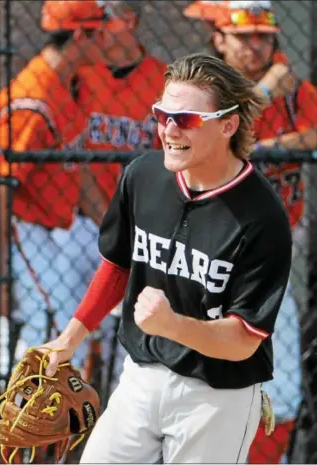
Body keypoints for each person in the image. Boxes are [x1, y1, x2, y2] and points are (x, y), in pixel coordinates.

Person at [40, 52, 292, 464]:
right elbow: (119, 264)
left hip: (217, 395)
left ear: (228, 125)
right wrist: (70, 339)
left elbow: (244, 340)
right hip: (142, 374)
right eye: (162, 114)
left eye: (187, 118)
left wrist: (172, 325)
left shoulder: (261, 216)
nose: (169, 128)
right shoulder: (143, 175)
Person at [182, 1, 317, 463]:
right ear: (218, 39)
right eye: (244, 37)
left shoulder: (293, 89)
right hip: (212, 254)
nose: (257, 45)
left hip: (272, 255)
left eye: (263, 35)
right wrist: (261, 96)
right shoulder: (199, 88)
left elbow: (313, 132)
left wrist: (270, 146)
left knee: (280, 388)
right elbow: (210, 146)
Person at [49, 0, 166, 388]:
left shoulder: (165, 82)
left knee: (130, 354)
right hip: (82, 223)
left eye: (106, 21)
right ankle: (54, 436)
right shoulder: (82, 74)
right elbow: (71, 155)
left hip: (140, 233)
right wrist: (103, 216)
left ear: (128, 21)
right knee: (62, 332)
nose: (99, 29)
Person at [0, 0, 114, 369]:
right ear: (80, 34)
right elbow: (0, 187)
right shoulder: (35, 99)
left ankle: (38, 411)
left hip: (46, 232)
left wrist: (118, 231)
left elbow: (79, 175)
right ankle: (17, 416)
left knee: (63, 320)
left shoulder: (70, 82)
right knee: (54, 316)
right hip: (18, 227)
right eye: (101, 31)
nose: (108, 39)